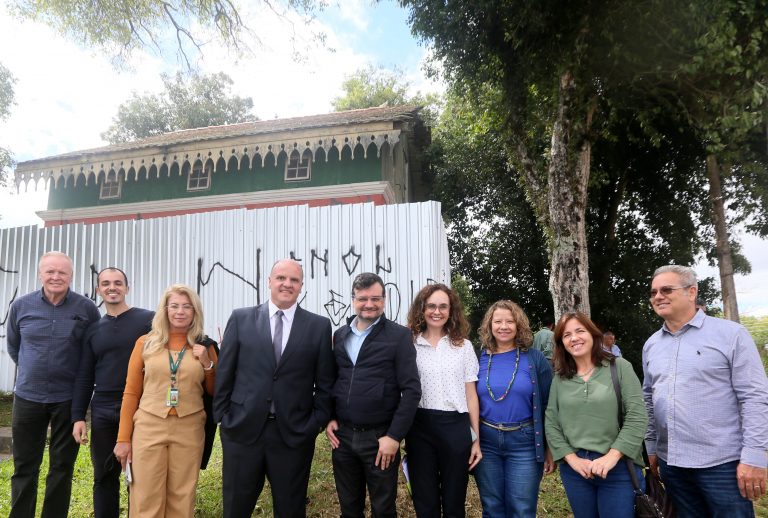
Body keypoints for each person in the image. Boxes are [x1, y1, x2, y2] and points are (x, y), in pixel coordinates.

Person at [644, 265, 768, 517]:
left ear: (691, 292)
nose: (658, 296)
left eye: (667, 289)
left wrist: (755, 456)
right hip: (672, 464)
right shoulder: (652, 344)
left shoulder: (731, 335)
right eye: (654, 292)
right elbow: (649, 397)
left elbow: (754, 397)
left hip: (722, 464)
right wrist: (652, 448)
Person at [214, 259, 335, 518]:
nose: (286, 284)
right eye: (281, 278)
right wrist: (224, 418)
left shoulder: (319, 326)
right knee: (236, 508)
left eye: (293, 280)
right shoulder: (241, 318)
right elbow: (225, 372)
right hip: (242, 432)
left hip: (293, 435)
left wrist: (315, 423)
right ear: (269, 281)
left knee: (290, 509)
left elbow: (325, 383)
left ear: (301, 286)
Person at [6, 251, 101, 518]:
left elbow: (92, 349)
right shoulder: (21, 306)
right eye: (50, 271)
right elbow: (14, 347)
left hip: (68, 400)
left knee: (62, 467)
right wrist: (33, 370)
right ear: (40, 274)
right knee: (25, 465)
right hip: (27, 397)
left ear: (70, 276)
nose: (56, 276)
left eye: (62, 272)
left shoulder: (86, 309)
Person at [113, 284, 217, 517]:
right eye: (175, 306)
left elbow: (214, 392)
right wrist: (123, 439)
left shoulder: (205, 346)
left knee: (182, 496)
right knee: (145, 497)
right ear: (165, 310)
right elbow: (131, 392)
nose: (180, 311)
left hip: (189, 428)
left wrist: (208, 365)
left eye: (186, 307)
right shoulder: (146, 343)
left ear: (195, 312)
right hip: (149, 426)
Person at [325, 272, 421, 518]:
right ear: (353, 300)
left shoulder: (398, 336)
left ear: (384, 299)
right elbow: (334, 380)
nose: (369, 304)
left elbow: (411, 391)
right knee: (349, 506)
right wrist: (330, 417)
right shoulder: (340, 335)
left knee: (383, 508)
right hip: (343, 438)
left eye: (375, 298)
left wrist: (393, 436)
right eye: (362, 298)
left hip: (380, 439)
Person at [545, 311, 647, 518]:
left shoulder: (619, 368)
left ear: (593, 334)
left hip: (618, 468)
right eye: (566, 335)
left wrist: (612, 456)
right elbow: (551, 421)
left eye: (579, 331)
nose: (574, 338)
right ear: (561, 343)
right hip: (576, 471)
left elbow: (637, 416)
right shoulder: (560, 378)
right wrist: (572, 459)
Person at [71, 267, 154, 518]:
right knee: (104, 476)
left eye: (118, 283)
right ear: (99, 290)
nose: (112, 287)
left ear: (127, 288)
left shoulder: (148, 320)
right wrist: (78, 417)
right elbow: (85, 375)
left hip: (141, 407)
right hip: (104, 409)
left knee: (138, 478)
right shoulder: (94, 329)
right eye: (105, 283)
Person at [404, 283, 481, 517]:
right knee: (424, 498)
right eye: (431, 306)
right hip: (419, 426)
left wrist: (475, 439)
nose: (436, 312)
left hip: (455, 427)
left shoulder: (463, 346)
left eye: (443, 307)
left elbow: (471, 395)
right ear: (421, 309)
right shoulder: (409, 344)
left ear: (451, 311)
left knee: (454, 498)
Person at [474, 300, 554, 518]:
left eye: (510, 321)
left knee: (522, 509)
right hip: (486, 441)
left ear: (519, 325)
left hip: (525, 443)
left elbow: (549, 405)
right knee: (492, 507)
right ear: (489, 325)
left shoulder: (534, 358)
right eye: (498, 321)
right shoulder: (478, 357)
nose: (504, 326)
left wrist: (549, 447)